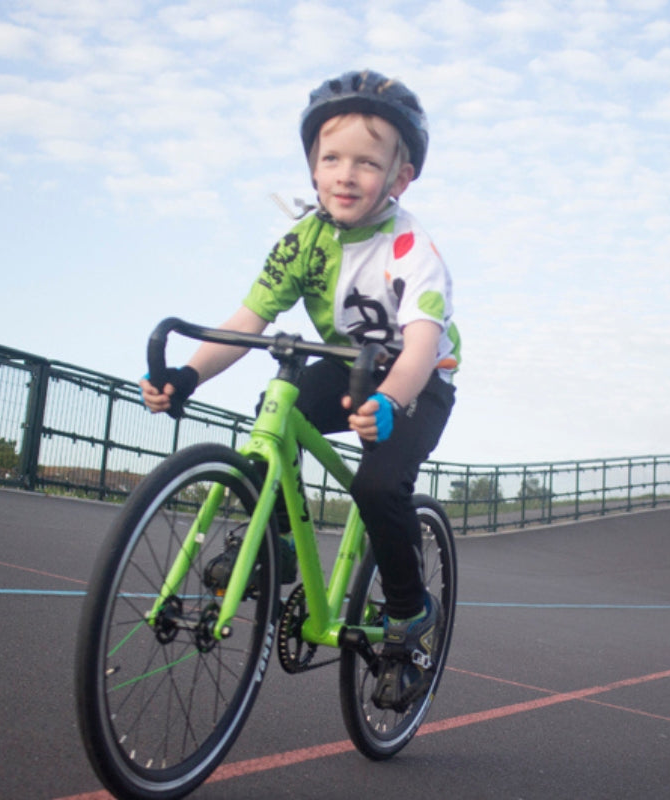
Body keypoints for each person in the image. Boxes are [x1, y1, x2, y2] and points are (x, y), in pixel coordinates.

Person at [140, 69, 461, 713]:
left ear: (399, 178)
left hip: (417, 384)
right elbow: (245, 323)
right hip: (345, 363)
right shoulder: (302, 242)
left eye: (367, 162)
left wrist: (390, 401)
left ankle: (408, 612)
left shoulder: (411, 247)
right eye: (331, 157)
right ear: (313, 168)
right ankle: (277, 541)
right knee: (275, 407)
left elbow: (423, 344)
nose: (346, 174)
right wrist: (188, 375)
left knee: (375, 488)